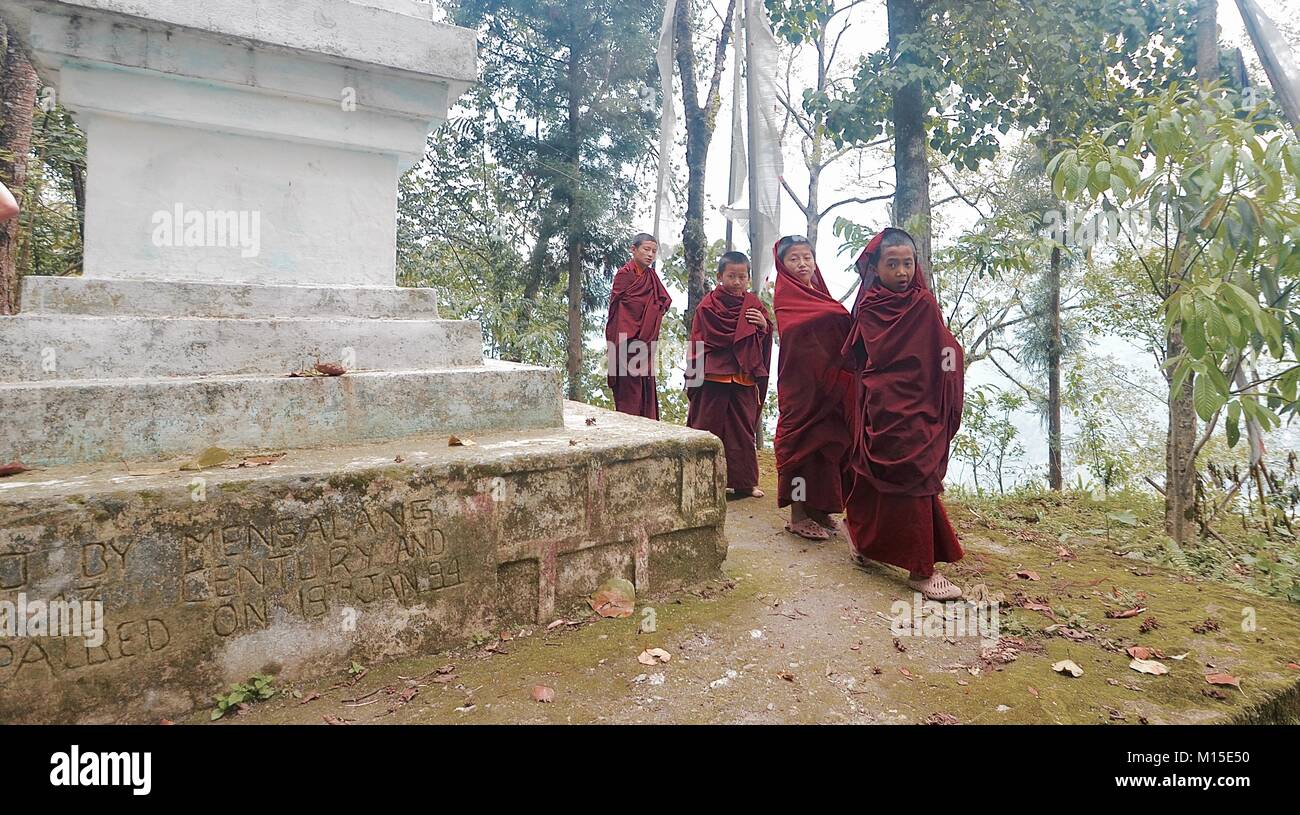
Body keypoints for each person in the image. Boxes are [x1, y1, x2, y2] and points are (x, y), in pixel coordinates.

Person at [841, 227, 966, 600]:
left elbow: (942, 350)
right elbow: (863, 355)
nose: (901, 272)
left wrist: (951, 366)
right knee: (873, 473)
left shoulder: (923, 303)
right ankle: (905, 564)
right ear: (875, 269)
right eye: (891, 264)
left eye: (907, 263)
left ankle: (918, 564)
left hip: (919, 405)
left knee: (916, 476)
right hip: (883, 402)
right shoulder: (869, 306)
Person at [772, 235, 855, 541]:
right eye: (794, 258)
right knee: (800, 451)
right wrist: (836, 315)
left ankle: (819, 508)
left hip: (827, 384)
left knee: (827, 448)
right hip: (801, 388)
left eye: (807, 257)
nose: (802, 263)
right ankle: (797, 515)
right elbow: (795, 330)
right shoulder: (786, 295)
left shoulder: (818, 293)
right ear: (782, 264)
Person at [686, 250, 772, 499]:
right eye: (731, 276)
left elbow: (764, 333)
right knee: (706, 428)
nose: (737, 282)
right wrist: (694, 376)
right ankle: (701, 481)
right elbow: (698, 342)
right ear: (719, 276)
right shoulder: (708, 305)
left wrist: (764, 326)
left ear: (748, 277)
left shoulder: (753, 304)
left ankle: (745, 483)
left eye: (742, 277)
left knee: (743, 431)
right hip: (713, 375)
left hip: (743, 374)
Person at [606, 233, 671, 419]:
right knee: (629, 389)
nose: (650, 254)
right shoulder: (624, 275)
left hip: (646, 342)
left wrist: (651, 317)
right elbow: (622, 309)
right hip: (625, 341)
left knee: (645, 385)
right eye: (646, 249)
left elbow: (663, 301)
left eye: (654, 251)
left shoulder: (651, 276)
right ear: (633, 249)